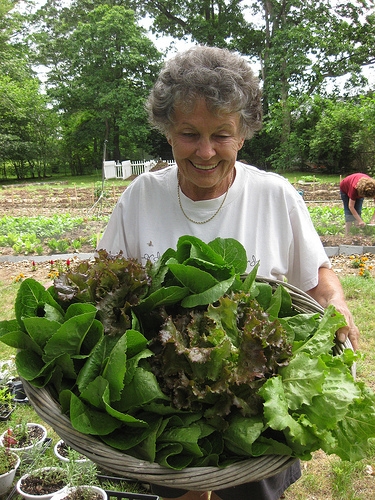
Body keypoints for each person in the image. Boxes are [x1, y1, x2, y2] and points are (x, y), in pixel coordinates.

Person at [98, 45, 360, 500]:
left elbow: (317, 279)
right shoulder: (141, 196)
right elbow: (104, 289)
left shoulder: (275, 195)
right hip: (167, 406)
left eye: (221, 134)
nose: (204, 151)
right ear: (166, 132)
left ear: (244, 134)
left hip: (256, 402)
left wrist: (335, 302)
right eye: (188, 133)